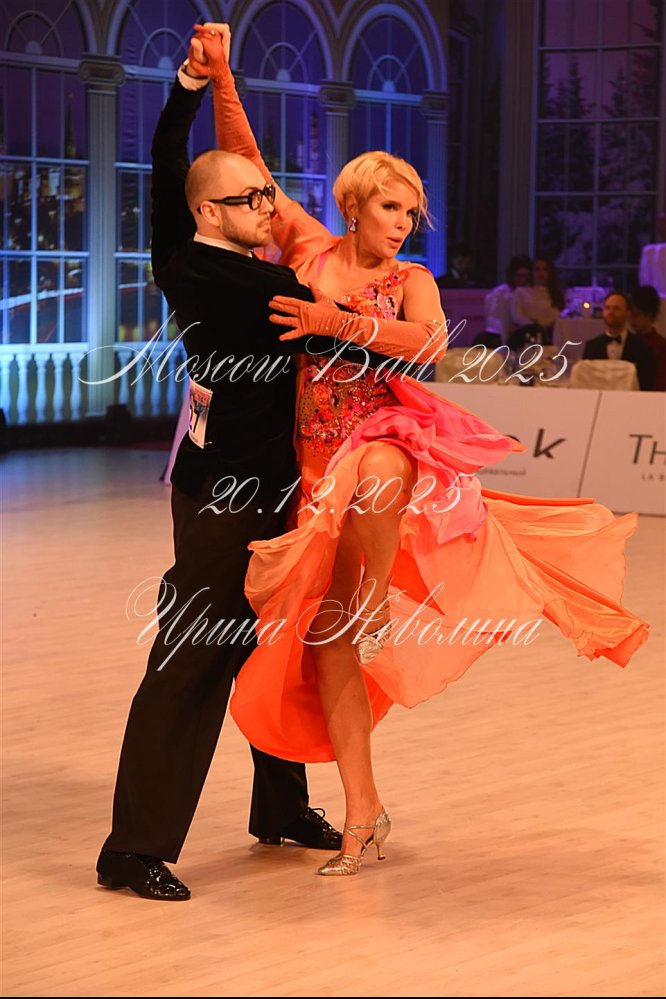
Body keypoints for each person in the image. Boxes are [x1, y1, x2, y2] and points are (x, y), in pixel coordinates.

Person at [193, 25, 650, 878]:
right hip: (314, 467)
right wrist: (221, 75)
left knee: (378, 466)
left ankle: (372, 605)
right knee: (327, 639)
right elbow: (247, 163)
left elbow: (428, 344)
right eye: (391, 209)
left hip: (388, 445)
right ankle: (363, 813)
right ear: (355, 205)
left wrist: (334, 322)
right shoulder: (308, 249)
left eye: (412, 213)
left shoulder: (410, 280)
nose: (404, 225)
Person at [95, 53, 348, 902]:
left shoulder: (188, 253)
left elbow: (168, 160)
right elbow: (344, 329)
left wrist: (190, 91)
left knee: (276, 645)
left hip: (276, 487)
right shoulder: (254, 283)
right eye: (250, 199)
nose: (269, 207)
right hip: (222, 498)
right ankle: (132, 848)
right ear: (208, 211)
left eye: (269, 194)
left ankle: (282, 807)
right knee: (195, 653)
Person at [583, 291, 655, 390]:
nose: (611, 312)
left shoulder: (642, 348)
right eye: (607, 308)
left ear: (628, 313)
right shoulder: (592, 347)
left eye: (616, 308)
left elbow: (647, 386)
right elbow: (586, 384)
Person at [510, 256, 564, 346]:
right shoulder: (521, 292)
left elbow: (556, 316)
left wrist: (540, 325)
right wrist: (533, 325)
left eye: (545, 269)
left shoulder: (554, 294)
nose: (540, 273)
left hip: (547, 333)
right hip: (525, 332)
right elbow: (517, 315)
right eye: (537, 269)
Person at [483, 254, 533, 345]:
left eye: (526, 276)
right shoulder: (500, 293)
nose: (523, 280)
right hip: (499, 335)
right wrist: (508, 327)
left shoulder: (531, 293)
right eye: (519, 276)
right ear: (512, 275)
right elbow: (491, 320)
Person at [629, 285, 666, 391]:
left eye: (636, 315)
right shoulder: (628, 342)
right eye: (630, 315)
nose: (631, 320)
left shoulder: (661, 346)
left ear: (649, 315)